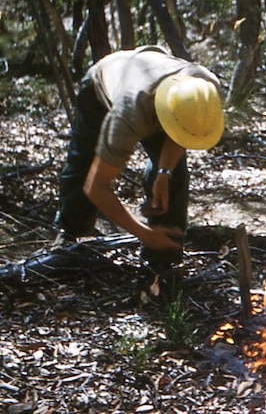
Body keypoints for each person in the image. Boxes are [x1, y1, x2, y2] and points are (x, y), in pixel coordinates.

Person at [54, 45, 225, 272]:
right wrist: (144, 233)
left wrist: (163, 175)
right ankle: (70, 233)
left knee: (176, 174)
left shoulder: (206, 90)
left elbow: (181, 136)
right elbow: (96, 186)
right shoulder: (130, 112)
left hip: (160, 91)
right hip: (100, 89)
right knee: (83, 166)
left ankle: (163, 258)